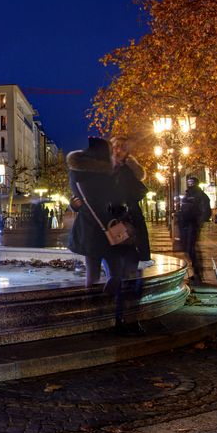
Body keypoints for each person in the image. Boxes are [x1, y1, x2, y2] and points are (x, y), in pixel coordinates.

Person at [67, 137, 139, 334]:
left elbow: (75, 200)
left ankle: (91, 314)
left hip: (87, 231)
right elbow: (117, 203)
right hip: (108, 230)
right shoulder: (107, 175)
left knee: (91, 273)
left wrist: (74, 205)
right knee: (116, 273)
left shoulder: (76, 172)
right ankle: (111, 314)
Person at [110, 136, 150, 334]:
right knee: (118, 276)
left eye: (121, 147)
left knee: (133, 277)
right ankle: (119, 319)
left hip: (131, 226)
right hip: (113, 227)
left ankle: (132, 319)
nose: (117, 150)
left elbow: (139, 192)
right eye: (114, 146)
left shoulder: (129, 170)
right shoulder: (106, 171)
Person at [177, 175, 212, 283]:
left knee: (191, 248)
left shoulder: (199, 195)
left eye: (192, 182)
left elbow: (205, 210)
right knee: (188, 248)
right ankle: (196, 272)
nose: (190, 184)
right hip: (186, 223)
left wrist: (200, 220)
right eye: (189, 182)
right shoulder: (188, 195)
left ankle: (198, 273)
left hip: (193, 223)